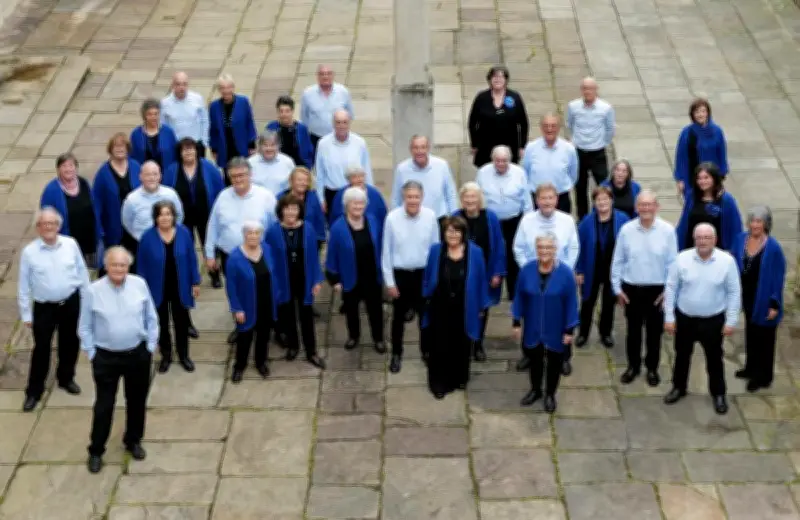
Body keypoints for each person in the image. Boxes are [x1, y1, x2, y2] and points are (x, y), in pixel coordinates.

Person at [79, 246, 159, 474]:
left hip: (137, 354)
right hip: (106, 358)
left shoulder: (139, 285)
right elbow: (84, 326)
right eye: (114, 264)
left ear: (128, 267)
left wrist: (150, 346)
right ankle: (96, 450)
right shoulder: (93, 291)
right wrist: (92, 353)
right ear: (106, 266)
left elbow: (151, 318)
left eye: (122, 265)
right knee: (104, 406)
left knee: (136, 400)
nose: (118, 269)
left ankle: (133, 440)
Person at [17, 208, 91, 412]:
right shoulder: (29, 252)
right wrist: (25, 314)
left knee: (70, 344)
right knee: (41, 349)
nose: (48, 227)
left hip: (70, 302)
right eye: (44, 224)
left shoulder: (70, 244)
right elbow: (23, 286)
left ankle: (66, 378)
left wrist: (87, 303)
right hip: (44, 308)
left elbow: (82, 273)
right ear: (38, 228)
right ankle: (34, 391)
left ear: (58, 226)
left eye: (52, 223)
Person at [663, 223, 741, 414]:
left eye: (707, 237)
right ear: (694, 239)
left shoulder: (727, 261)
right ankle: (678, 387)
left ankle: (719, 394)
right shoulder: (681, 259)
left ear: (714, 240)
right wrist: (669, 317)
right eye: (699, 237)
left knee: (714, 359)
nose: (703, 241)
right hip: (685, 318)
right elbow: (671, 288)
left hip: (713, 320)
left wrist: (731, 320)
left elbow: (734, 292)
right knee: (681, 355)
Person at [205, 157, 277, 344]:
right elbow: (213, 226)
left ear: (250, 174)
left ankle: (267, 325)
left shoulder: (265, 196)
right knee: (236, 291)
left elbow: (275, 226)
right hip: (232, 256)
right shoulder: (223, 196)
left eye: (242, 175)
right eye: (233, 176)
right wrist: (209, 253)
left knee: (262, 289)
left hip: (259, 254)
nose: (238, 179)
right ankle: (241, 326)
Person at [611, 189, 678, 386]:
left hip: (656, 290)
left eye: (649, 204)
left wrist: (668, 292)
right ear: (636, 207)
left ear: (656, 207)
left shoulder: (667, 231)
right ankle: (633, 366)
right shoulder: (626, 230)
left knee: (654, 333)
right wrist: (617, 289)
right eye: (642, 204)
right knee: (633, 331)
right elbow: (618, 261)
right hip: (632, 288)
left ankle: (652, 368)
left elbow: (673, 264)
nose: (645, 208)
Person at [512, 182, 579, 375]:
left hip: (559, 275)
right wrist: (528, 270)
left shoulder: (567, 220)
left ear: (556, 199)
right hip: (534, 275)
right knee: (531, 315)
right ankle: (529, 353)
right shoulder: (527, 220)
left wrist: (565, 270)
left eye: (551, 198)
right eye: (543, 198)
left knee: (561, 316)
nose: (547, 202)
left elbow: (573, 247)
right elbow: (518, 248)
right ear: (536, 200)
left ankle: (563, 356)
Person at [422, 216, 490, 398]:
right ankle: (439, 384)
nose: (452, 235)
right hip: (440, 306)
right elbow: (428, 276)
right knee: (439, 344)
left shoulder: (475, 252)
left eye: (456, 231)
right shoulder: (436, 250)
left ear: (463, 233)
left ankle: (459, 378)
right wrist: (426, 296)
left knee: (461, 343)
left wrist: (482, 305)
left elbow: (482, 279)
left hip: (465, 306)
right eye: (449, 231)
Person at [512, 233, 579, 413]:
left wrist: (569, 330)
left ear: (555, 249)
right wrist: (516, 321)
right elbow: (519, 296)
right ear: (536, 249)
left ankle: (550, 394)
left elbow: (572, 303)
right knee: (534, 360)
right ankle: (535, 390)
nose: (544, 251)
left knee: (555, 363)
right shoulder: (526, 270)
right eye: (541, 247)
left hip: (556, 328)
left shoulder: (565, 273)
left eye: (548, 247)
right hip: (533, 326)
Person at [382, 180, 440, 374]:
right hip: (400, 275)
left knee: (425, 317)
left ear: (422, 197)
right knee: (398, 318)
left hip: (423, 275)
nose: (413, 200)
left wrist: (434, 279)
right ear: (403, 197)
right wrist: (389, 282)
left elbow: (436, 249)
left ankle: (426, 351)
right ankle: (396, 353)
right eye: (409, 196)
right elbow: (386, 253)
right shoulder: (392, 218)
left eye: (416, 196)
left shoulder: (431, 217)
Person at [137, 201, 200, 374]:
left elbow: (192, 258)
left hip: (181, 286)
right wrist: (141, 290)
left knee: (181, 324)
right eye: (161, 214)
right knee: (161, 324)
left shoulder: (184, 233)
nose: (165, 218)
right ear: (156, 218)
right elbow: (141, 266)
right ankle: (166, 355)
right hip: (157, 288)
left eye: (168, 214)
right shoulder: (147, 237)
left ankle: (184, 356)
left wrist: (195, 281)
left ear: (174, 216)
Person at [265, 194, 326, 368]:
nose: (291, 212)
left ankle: (311, 351)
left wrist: (317, 280)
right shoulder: (273, 231)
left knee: (306, 316)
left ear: (299, 211)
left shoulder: (308, 228)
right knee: (288, 315)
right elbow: (270, 260)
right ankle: (293, 346)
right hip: (284, 281)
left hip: (305, 280)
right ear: (281, 211)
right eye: (287, 208)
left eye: (294, 208)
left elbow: (314, 257)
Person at [732, 206, 786, 392]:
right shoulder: (741, 239)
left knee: (764, 338)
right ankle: (750, 368)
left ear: (766, 224)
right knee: (751, 333)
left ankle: (762, 376)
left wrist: (774, 304)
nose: (755, 225)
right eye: (753, 221)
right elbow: (733, 260)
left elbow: (778, 278)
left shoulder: (773, 248)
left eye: (759, 221)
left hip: (763, 297)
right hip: (746, 296)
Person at [326, 187, 385, 353]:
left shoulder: (373, 221)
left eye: (361, 203)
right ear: (346, 205)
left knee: (376, 309)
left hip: (372, 275)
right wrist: (334, 279)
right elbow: (332, 255)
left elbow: (381, 245)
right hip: (350, 276)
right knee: (351, 309)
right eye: (354, 203)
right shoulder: (338, 227)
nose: (358, 207)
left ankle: (378, 338)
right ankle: (354, 336)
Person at [225, 222, 284, 383]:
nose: (253, 236)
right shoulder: (235, 258)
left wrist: (277, 294)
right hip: (246, 306)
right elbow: (231, 286)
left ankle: (261, 362)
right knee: (244, 338)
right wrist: (237, 309)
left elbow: (275, 273)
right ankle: (239, 366)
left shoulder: (267, 250)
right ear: (244, 235)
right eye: (250, 233)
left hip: (266, 303)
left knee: (264, 336)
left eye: (257, 233)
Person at [163, 138, 225, 289]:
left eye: (191, 148)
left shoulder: (209, 167)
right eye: (185, 149)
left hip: (206, 215)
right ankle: (190, 277)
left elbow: (220, 190)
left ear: (197, 150)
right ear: (180, 153)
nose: (188, 152)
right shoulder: (172, 170)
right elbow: (165, 193)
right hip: (182, 218)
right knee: (185, 248)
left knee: (210, 246)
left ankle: (214, 273)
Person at [453, 182, 505, 362]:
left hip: (484, 272)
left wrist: (497, 272)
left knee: (482, 308)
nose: (470, 200)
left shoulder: (490, 217)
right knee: (460, 308)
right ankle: (463, 343)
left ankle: (478, 344)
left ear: (479, 198)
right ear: (461, 200)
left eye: (473, 196)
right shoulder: (455, 217)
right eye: (466, 197)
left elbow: (499, 245)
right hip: (460, 272)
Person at [574, 187, 629, 347]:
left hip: (612, 270)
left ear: (612, 200)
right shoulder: (586, 222)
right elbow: (578, 248)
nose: (602, 203)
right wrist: (579, 270)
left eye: (606, 199)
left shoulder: (623, 219)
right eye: (599, 200)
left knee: (608, 304)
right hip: (592, 269)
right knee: (587, 303)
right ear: (594, 202)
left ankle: (605, 333)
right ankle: (583, 333)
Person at [476, 145, 532, 301]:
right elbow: (477, 197)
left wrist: (527, 222)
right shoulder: (482, 173)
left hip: (514, 221)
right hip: (491, 222)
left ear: (510, 159)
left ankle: (514, 292)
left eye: (504, 160)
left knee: (513, 256)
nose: (501, 164)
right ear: (492, 160)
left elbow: (526, 200)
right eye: (497, 160)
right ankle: (489, 291)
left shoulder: (519, 173)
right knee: (492, 254)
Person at [40, 153, 102, 268]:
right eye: (64, 166)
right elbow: (45, 219)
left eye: (71, 165)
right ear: (58, 170)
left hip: (89, 241)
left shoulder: (84, 183)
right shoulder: (51, 190)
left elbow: (94, 207)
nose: (68, 169)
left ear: (76, 168)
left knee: (90, 274)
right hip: (67, 243)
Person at [566, 77, 616, 220]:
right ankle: (582, 219)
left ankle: (601, 215)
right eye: (585, 88)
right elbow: (570, 125)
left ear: (596, 90)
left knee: (603, 187)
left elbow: (610, 129)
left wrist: (601, 142)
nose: (587, 91)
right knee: (579, 188)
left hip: (597, 153)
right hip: (579, 152)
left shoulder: (605, 108)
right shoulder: (573, 106)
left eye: (590, 88)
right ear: (581, 90)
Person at [120, 161, 184, 271]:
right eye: (148, 174)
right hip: (142, 247)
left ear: (160, 176)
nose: (152, 178)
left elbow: (179, 216)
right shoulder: (131, 199)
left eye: (155, 174)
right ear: (140, 177)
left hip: (169, 244)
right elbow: (126, 222)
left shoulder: (171, 194)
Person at [92, 133, 142, 264]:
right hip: (114, 228)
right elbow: (96, 204)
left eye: (123, 146)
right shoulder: (103, 173)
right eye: (116, 146)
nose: (120, 149)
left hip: (135, 226)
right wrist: (99, 230)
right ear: (110, 149)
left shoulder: (136, 167)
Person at [391, 135, 458, 230]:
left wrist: (453, 219)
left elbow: (451, 194)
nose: (419, 151)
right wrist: (396, 221)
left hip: (439, 220)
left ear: (428, 148)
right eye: (416, 148)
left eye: (423, 147)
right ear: (410, 150)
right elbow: (396, 198)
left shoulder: (442, 165)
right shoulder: (402, 169)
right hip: (411, 220)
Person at [467, 65, 529, 168]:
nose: (497, 79)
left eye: (501, 77)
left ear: (506, 79)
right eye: (494, 77)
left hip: (509, 145)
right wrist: (474, 144)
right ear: (490, 79)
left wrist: (522, 146)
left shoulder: (515, 97)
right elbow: (472, 122)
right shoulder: (481, 98)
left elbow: (523, 123)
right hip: (486, 146)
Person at [315, 109, 372, 218]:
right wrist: (321, 199)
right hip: (332, 193)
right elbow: (320, 174)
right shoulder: (323, 144)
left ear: (350, 123)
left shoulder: (360, 143)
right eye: (338, 122)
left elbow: (366, 170)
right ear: (333, 123)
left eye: (345, 122)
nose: (341, 126)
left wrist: (368, 194)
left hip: (355, 192)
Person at [676, 162, 742, 252]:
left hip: (718, 250)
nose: (702, 181)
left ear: (714, 179)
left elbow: (735, 227)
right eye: (699, 178)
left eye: (706, 178)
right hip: (692, 248)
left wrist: (734, 250)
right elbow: (683, 223)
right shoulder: (691, 197)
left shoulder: (727, 200)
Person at [522, 114, 578, 213]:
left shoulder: (569, 149)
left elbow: (573, 175)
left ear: (559, 128)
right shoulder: (531, 148)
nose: (549, 129)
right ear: (541, 128)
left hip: (561, 199)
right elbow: (525, 173)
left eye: (553, 126)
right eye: (546, 125)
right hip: (537, 199)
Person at [674, 98, 728, 201]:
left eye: (703, 111)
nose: (700, 115)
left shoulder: (717, 131)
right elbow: (680, 157)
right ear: (692, 115)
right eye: (697, 112)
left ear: (708, 113)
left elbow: (722, 152)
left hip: (712, 178)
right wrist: (680, 179)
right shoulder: (687, 133)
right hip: (691, 178)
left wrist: (722, 173)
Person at [209, 74, 257, 175]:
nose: (226, 91)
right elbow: (213, 129)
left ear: (233, 87)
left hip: (241, 146)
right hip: (224, 147)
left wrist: (251, 145)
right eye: (222, 88)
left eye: (228, 87)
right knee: (228, 175)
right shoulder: (214, 106)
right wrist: (214, 149)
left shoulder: (243, 102)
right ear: (219, 90)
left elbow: (249, 123)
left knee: (243, 173)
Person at [300, 64, 354, 149]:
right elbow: (304, 117)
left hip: (338, 137)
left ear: (333, 75)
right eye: (322, 74)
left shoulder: (343, 92)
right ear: (317, 76)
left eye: (328, 73)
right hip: (315, 139)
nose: (325, 77)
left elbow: (350, 115)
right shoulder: (308, 94)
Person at [161, 71, 210, 158]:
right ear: (173, 85)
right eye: (178, 84)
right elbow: (163, 126)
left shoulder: (197, 99)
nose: (181, 87)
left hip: (196, 144)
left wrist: (204, 142)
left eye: (184, 84)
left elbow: (205, 120)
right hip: (176, 146)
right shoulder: (165, 103)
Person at [279, 167, 326, 249]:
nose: (303, 183)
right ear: (291, 181)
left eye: (306, 180)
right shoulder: (281, 197)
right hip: (285, 243)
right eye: (299, 180)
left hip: (309, 243)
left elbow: (319, 220)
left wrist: (319, 240)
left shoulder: (313, 197)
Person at [266, 95, 315, 168]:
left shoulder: (302, 129)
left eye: (287, 111)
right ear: (277, 112)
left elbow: (309, 151)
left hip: (298, 168)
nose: (284, 114)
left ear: (292, 111)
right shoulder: (271, 128)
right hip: (277, 167)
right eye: (281, 111)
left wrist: (307, 166)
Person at [130, 98, 178, 172]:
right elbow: (132, 157)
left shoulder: (168, 132)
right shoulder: (136, 134)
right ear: (144, 116)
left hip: (165, 176)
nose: (153, 117)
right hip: (144, 176)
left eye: (156, 114)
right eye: (150, 114)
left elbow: (175, 155)